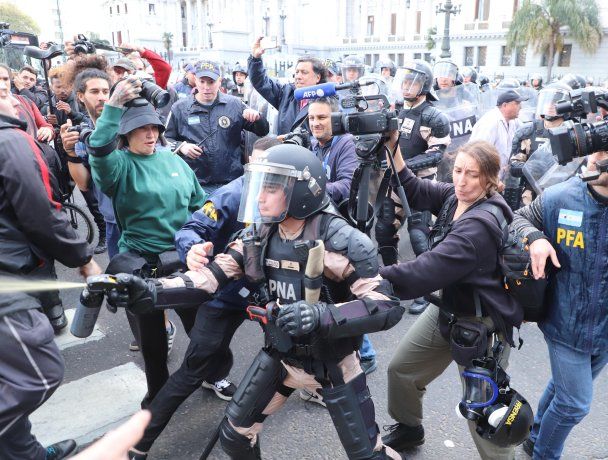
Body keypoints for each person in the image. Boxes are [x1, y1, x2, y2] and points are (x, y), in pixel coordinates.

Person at [109, 144, 405, 460]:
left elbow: (385, 305)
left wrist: (321, 315)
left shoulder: (342, 240)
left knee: (370, 456)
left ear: (301, 191)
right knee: (235, 437)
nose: (259, 196)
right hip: (280, 355)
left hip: (333, 364)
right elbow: (209, 279)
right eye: (259, 185)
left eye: (271, 187)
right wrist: (151, 291)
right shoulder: (261, 233)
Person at [125, 136, 281, 459]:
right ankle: (141, 441)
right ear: (249, 164)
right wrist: (192, 249)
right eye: (259, 170)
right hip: (224, 293)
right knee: (191, 370)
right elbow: (189, 229)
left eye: (276, 172)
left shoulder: (296, 196)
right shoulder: (231, 194)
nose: (266, 181)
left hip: (274, 296)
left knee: (297, 357)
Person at [379, 139, 523, 459]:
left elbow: (427, 270)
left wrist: (374, 277)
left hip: (481, 325)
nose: (461, 180)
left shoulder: (480, 225)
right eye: (458, 170)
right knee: (401, 370)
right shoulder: (452, 197)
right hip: (450, 308)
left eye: (472, 174)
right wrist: (393, 148)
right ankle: (409, 426)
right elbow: (415, 189)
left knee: (483, 412)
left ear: (489, 180)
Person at [0, 93, 101, 460]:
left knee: (6, 379)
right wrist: (84, 257)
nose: (11, 96)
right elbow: (43, 209)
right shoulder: (11, 140)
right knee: (37, 371)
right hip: (8, 279)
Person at [512, 150, 608, 459]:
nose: (599, 155)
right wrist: (535, 237)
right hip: (564, 322)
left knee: (563, 386)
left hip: (604, 329)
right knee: (573, 403)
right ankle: (544, 454)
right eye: (599, 148)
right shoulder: (560, 196)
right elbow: (516, 219)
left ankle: (536, 435)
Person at [377, 60, 450, 315]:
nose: (407, 86)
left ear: (425, 85)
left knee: (420, 237)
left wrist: (404, 165)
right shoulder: (394, 110)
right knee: (384, 231)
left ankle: (426, 292)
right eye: (405, 80)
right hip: (393, 183)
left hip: (421, 184)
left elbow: (437, 154)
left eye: (413, 81)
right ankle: (393, 281)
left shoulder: (433, 116)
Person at [165, 59, 269, 193]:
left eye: (211, 82)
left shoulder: (235, 104)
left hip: (231, 184)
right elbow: (164, 141)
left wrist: (257, 118)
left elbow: (263, 130)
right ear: (195, 80)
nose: (206, 87)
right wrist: (181, 147)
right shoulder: (179, 108)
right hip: (195, 186)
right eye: (202, 82)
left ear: (219, 81)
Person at [247, 36, 327, 134]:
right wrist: (256, 58)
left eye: (304, 72)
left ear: (318, 77)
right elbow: (260, 81)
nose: (298, 76)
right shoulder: (286, 93)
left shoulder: (328, 99)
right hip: (285, 149)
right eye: (297, 72)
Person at [308, 97, 358, 205]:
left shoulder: (347, 143)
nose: (315, 123)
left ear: (336, 119)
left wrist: (312, 190)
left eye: (321, 117)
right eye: (311, 118)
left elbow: (348, 185)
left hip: (338, 215)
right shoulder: (311, 145)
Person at [470, 89, 527, 177]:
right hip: (484, 178)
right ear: (505, 105)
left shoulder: (513, 121)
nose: (521, 107)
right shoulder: (490, 122)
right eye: (517, 103)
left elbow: (526, 129)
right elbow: (477, 154)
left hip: (498, 178)